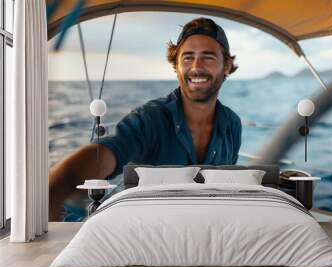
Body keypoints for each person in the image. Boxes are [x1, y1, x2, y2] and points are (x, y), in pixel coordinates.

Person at [49, 17, 242, 221]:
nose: (196, 66)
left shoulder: (232, 125)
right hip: (130, 227)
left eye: (208, 57)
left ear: (227, 66)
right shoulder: (150, 119)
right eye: (187, 57)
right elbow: (108, 152)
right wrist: (55, 190)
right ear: (176, 66)